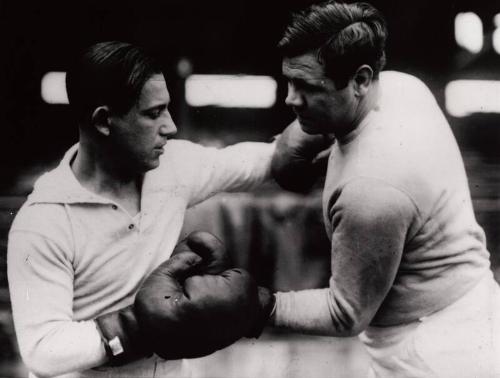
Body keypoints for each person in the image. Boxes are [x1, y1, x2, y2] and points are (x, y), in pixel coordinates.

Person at [7, 41, 275, 378]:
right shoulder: (44, 221)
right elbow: (42, 349)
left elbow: (255, 162)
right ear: (104, 121)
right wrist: (141, 325)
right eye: (153, 113)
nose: (171, 126)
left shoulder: (171, 167)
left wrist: (323, 132)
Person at [270, 1, 500, 377]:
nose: (290, 99)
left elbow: (345, 313)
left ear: (361, 80)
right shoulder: (403, 86)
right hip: (476, 312)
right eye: (289, 81)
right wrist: (288, 145)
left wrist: (260, 306)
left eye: (308, 87)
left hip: (433, 354)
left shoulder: (371, 191)